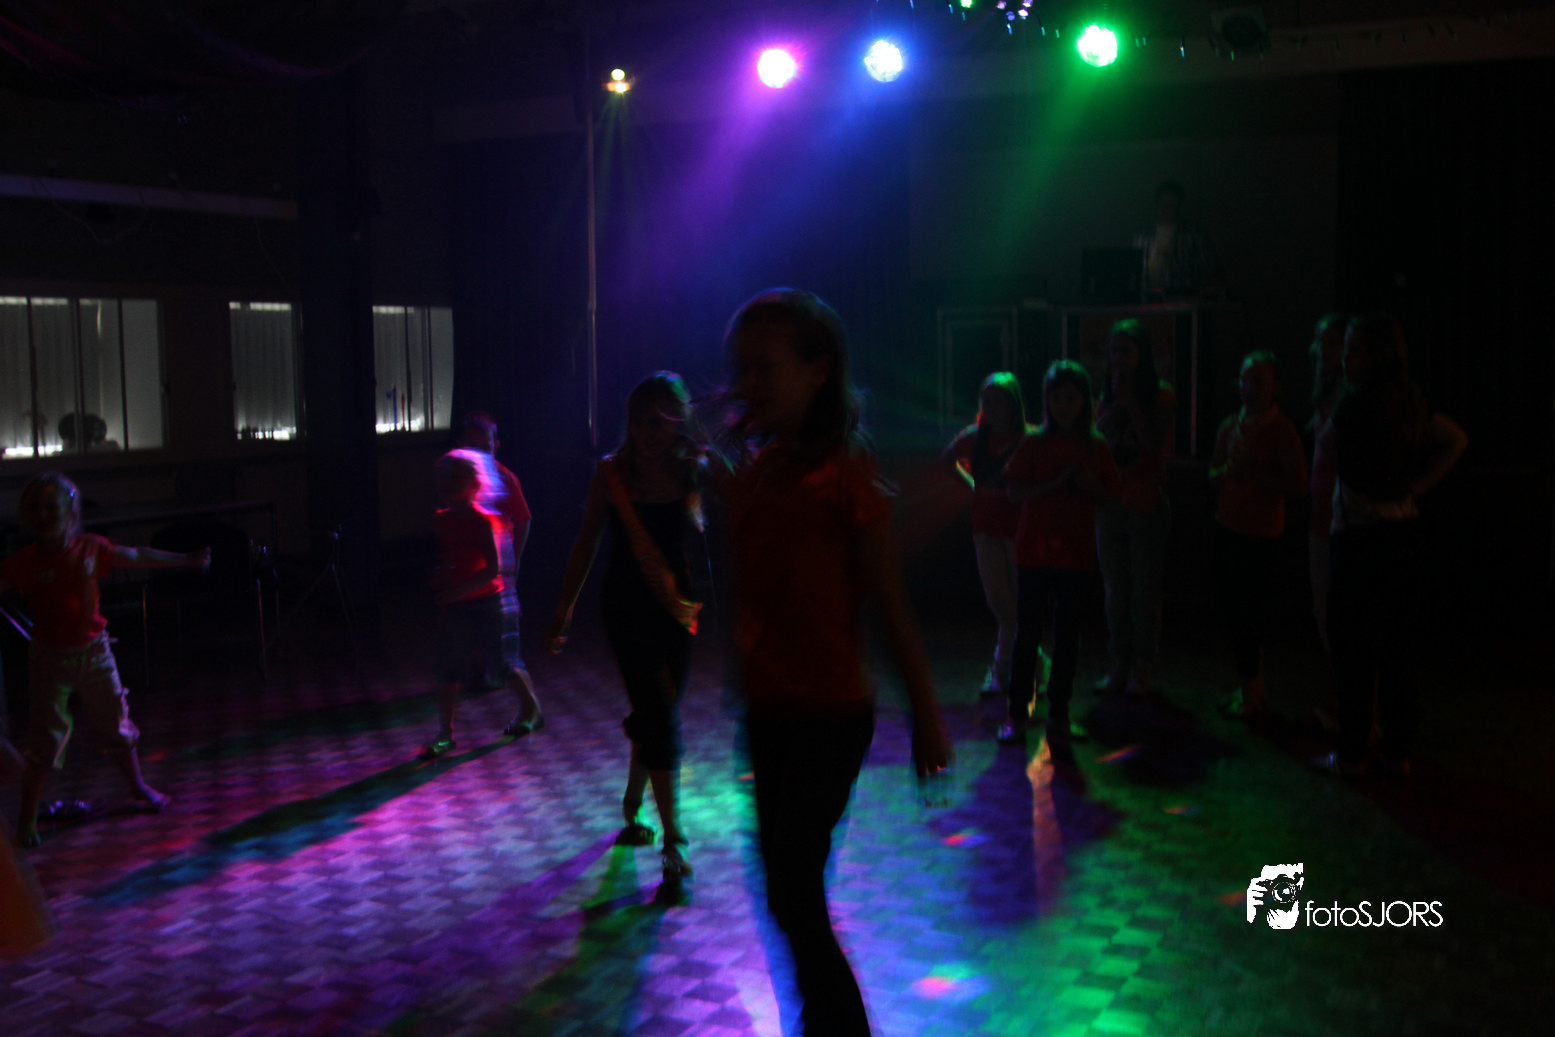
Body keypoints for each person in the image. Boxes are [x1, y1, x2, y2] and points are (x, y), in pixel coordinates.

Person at [720, 289, 952, 1036]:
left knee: (792, 886)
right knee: (786, 890)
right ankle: (821, 1020)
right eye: (740, 368)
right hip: (770, 710)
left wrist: (926, 714)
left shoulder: (846, 470)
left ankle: (839, 1026)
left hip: (830, 710)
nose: (747, 382)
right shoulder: (756, 470)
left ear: (817, 370)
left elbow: (888, 600)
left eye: (765, 367)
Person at [544, 373, 704, 883]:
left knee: (658, 710)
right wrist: (564, 608)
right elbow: (586, 541)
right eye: (639, 422)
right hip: (627, 609)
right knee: (661, 715)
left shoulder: (692, 468)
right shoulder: (612, 474)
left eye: (658, 422)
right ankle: (675, 841)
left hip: (678, 607)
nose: (647, 433)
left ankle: (633, 804)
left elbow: (741, 501)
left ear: (678, 422)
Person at [0, 473, 208, 847]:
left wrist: (185, 561)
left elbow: (137, 556)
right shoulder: (23, 563)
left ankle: (136, 786)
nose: (41, 515)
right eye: (33, 508)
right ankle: (27, 818)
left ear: (72, 513)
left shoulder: (91, 549)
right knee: (45, 738)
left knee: (116, 723)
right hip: (50, 661)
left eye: (51, 507)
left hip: (95, 654)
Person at [1313, 315, 1466, 778]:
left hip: (1360, 537)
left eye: (1354, 350)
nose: (1345, 358)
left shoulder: (1354, 403)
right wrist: (1415, 487)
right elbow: (1455, 439)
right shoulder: (1410, 401)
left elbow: (1325, 443)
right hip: (1404, 534)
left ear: (1375, 355)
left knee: (1353, 650)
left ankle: (1351, 753)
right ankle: (1397, 753)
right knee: (1398, 650)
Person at [1001, 361, 1121, 745]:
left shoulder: (1095, 446)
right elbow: (1014, 492)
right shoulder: (1034, 443)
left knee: (1068, 636)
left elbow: (1110, 497)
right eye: (1056, 398)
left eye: (1071, 398)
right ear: (1046, 400)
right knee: (1028, 634)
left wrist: (1087, 484)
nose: (1063, 406)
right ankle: (1017, 714)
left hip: (1075, 554)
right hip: (1034, 553)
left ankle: (1059, 713)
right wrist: (1055, 484)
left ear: (1084, 401)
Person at [419, 450, 544, 761]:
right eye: (444, 479)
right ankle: (445, 734)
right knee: (449, 668)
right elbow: (451, 558)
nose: (448, 484)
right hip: (459, 604)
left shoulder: (483, 520)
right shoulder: (442, 518)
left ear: (474, 484)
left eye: (455, 479)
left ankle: (531, 709)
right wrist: (441, 577)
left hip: (489, 602)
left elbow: (493, 569)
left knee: (503, 665)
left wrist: (458, 590)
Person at [1209, 352, 1308, 718]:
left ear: (1276, 386)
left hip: (1261, 534)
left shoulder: (1283, 431)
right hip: (1227, 527)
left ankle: (1253, 694)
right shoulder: (1229, 426)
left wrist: (1251, 475)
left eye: (1258, 381)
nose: (1248, 388)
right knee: (1237, 613)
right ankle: (1250, 688)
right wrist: (1225, 473)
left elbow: (1299, 484)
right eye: (1245, 380)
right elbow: (1212, 473)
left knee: (1250, 613)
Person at [940, 373, 1041, 699]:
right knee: (999, 601)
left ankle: (1002, 669)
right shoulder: (975, 436)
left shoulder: (1029, 438)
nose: (992, 406)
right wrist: (974, 487)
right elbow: (946, 461)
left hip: (1019, 528)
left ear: (1013, 403)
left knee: (1018, 602)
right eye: (987, 400)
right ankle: (1034, 662)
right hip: (985, 527)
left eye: (999, 400)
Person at [1094, 320, 1176, 697]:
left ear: (1142, 355)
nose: (1119, 358)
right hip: (1110, 503)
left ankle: (1143, 666)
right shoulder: (1105, 395)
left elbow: (1151, 442)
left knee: (1145, 592)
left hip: (1146, 503)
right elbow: (1092, 442)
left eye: (1126, 351)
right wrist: (1109, 411)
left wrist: (1128, 402)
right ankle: (1118, 663)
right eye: (1114, 351)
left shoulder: (1161, 394)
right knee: (1115, 591)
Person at [457, 412, 535, 694]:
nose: (479, 454)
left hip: (499, 566)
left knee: (500, 622)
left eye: (485, 447)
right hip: (471, 564)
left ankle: (507, 672)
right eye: (473, 447)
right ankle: (478, 670)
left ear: (495, 446)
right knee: (470, 618)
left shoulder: (505, 478)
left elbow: (523, 518)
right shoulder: (461, 479)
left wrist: (515, 559)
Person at [1306, 314, 1348, 730]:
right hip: (1322, 514)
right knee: (1327, 617)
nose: (1324, 350)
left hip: (1344, 518)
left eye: (1333, 342)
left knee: (1342, 619)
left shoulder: (1353, 400)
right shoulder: (1328, 394)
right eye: (1321, 342)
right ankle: (1340, 705)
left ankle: (1350, 711)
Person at [1132, 181, 1220, 298]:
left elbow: (1208, 267)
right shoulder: (1143, 235)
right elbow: (1134, 268)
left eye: (1171, 204)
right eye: (1162, 203)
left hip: (1182, 298)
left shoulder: (1193, 234)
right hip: (1148, 298)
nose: (1166, 208)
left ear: (1179, 206)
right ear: (1156, 204)